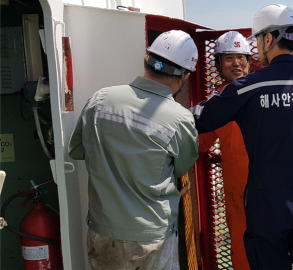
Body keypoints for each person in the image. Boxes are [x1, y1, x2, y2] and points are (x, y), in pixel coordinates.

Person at [192, 4, 293, 269]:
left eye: (256, 41)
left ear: (268, 39)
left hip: (266, 202)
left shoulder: (248, 88)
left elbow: (197, 119)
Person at [69, 30, 199, 270]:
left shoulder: (101, 99)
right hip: (151, 237)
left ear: (145, 61)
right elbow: (181, 167)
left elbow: (77, 150)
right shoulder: (180, 119)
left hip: (102, 231)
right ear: (185, 75)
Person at [197, 31, 253, 269]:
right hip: (237, 194)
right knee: (241, 249)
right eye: (229, 58)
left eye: (241, 57)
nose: (237, 63)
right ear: (218, 64)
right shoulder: (214, 105)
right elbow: (200, 143)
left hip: (271, 188)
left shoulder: (264, 93)